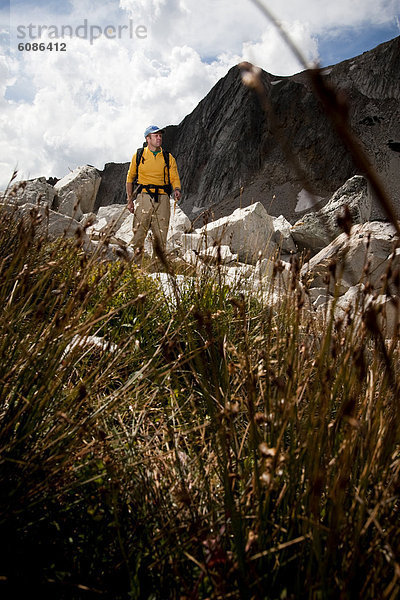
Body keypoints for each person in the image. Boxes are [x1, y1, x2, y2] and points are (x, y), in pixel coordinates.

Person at [126, 125, 181, 263]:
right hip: (144, 196)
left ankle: (157, 269)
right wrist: (130, 200)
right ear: (147, 138)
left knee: (161, 234)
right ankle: (136, 267)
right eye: (155, 135)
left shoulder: (168, 157)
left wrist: (177, 189)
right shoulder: (139, 155)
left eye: (160, 136)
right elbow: (130, 178)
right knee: (139, 232)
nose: (159, 138)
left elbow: (174, 176)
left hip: (163, 198)